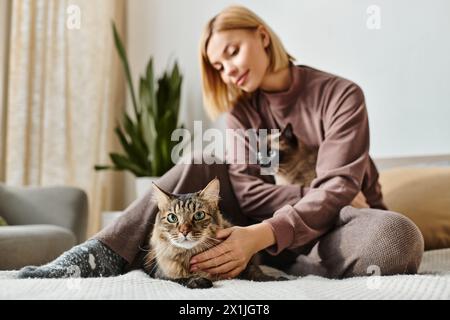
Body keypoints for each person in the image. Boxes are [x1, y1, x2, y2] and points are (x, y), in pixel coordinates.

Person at [18, 5, 424, 280]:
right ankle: (98, 254)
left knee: (397, 239)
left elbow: (337, 189)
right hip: (256, 229)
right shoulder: (241, 114)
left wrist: (270, 231)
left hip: (337, 223)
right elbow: (247, 193)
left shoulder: (341, 96)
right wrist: (285, 213)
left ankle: (294, 264)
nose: (228, 70)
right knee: (201, 161)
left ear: (263, 37)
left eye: (233, 52)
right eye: (218, 65)